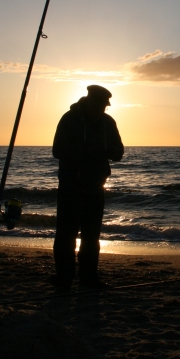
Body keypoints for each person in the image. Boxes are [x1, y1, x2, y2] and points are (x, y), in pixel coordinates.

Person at [50, 85, 124, 289]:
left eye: (104, 106)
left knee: (91, 236)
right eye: (99, 105)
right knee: (66, 235)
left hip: (95, 187)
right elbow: (57, 150)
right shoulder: (69, 119)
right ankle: (64, 277)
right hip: (70, 187)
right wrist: (84, 152)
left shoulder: (108, 123)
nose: (102, 110)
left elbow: (119, 151)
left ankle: (88, 278)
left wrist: (110, 151)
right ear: (90, 102)